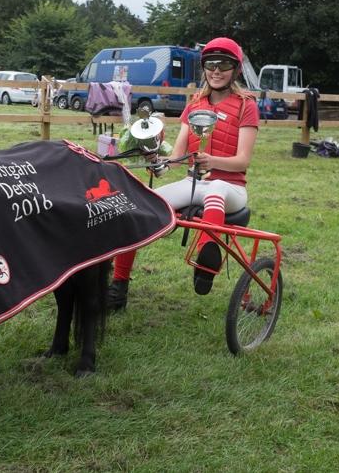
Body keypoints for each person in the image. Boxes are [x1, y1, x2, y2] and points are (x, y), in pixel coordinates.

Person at [107, 37, 260, 310]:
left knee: (215, 191)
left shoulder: (246, 105)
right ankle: (118, 288)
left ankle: (205, 261)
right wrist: (159, 161)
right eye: (210, 64)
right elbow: (177, 157)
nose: (216, 70)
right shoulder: (194, 105)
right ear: (204, 68)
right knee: (137, 205)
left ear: (235, 70)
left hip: (231, 188)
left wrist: (212, 160)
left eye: (224, 64)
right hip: (193, 183)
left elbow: (242, 161)